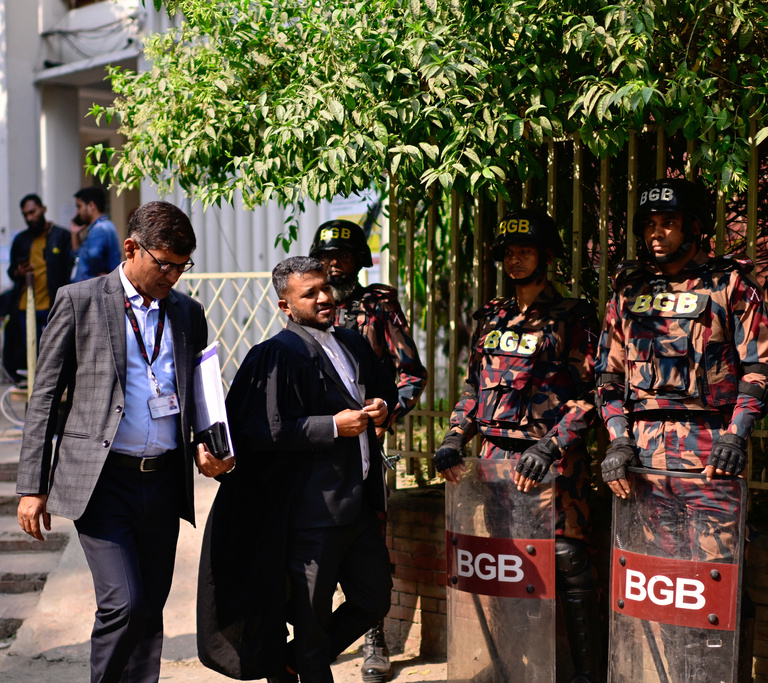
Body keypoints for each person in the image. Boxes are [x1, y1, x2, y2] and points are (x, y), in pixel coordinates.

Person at [15, 200, 231, 683]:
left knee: (149, 610)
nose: (174, 276)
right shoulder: (80, 301)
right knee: (124, 604)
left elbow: (198, 391)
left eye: (182, 266)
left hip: (162, 481)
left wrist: (204, 441)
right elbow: (45, 398)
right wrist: (32, 485)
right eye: (165, 264)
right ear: (131, 248)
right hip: (103, 482)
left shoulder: (187, 313)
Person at [595, 177, 768, 681]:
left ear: (693, 227)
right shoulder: (629, 290)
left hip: (710, 453)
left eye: (668, 223)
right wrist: (617, 440)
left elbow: (760, 368)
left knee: (717, 580)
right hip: (644, 458)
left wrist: (737, 434)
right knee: (655, 579)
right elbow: (607, 375)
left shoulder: (728, 284)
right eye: (650, 225)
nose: (657, 233)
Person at [197, 256, 398, 683]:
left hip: (359, 504)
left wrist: (383, 408)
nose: (324, 298)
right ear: (285, 306)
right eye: (310, 293)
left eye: (325, 288)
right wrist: (332, 427)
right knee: (311, 626)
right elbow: (261, 431)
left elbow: (385, 390)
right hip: (311, 516)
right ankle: (295, 664)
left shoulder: (353, 342)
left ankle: (283, 662)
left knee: (374, 597)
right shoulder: (274, 356)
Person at [433, 209, 602, 682]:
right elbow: (472, 389)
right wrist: (452, 439)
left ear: (546, 256)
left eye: (525, 250)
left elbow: (591, 395)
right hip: (495, 464)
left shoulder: (574, 316)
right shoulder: (492, 316)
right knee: (506, 564)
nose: (515, 259)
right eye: (508, 252)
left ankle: (585, 675)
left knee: (567, 561)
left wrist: (550, 447)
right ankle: (512, 667)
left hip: (553, 463)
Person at [309, 219, 427, 682]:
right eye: (327, 254)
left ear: (361, 259)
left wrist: (387, 414)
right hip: (318, 443)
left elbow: (411, 372)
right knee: (318, 541)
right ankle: (318, 636)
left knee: (369, 540)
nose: (334, 261)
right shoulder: (308, 304)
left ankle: (374, 640)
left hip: (365, 445)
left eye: (343, 254)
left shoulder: (377, 305)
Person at [3, 194, 73, 380]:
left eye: (32, 212)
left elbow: (68, 270)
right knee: (32, 354)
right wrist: (18, 272)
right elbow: (11, 272)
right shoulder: (21, 240)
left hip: (54, 305)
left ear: (43, 209)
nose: (29, 218)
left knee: (55, 353)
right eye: (25, 214)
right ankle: (35, 392)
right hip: (27, 307)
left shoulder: (61, 236)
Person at [71, 186, 121, 282]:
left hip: (91, 289)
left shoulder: (99, 229)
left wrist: (98, 274)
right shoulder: (103, 226)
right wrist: (74, 234)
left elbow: (94, 255)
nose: (78, 211)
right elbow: (79, 256)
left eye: (79, 206)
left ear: (91, 206)